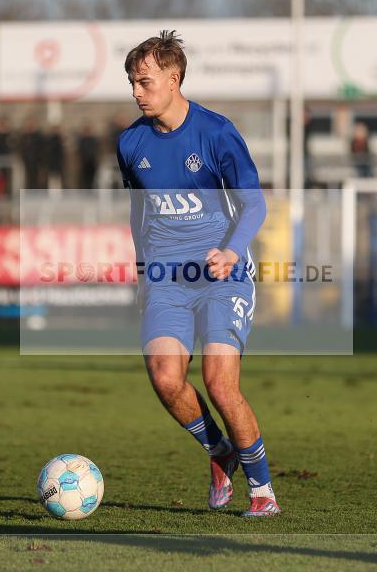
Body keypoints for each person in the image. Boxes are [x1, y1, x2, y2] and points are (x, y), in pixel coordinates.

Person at [116, 31, 277, 516]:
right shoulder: (130, 142)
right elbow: (138, 212)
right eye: (132, 83)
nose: (137, 92)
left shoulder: (216, 132)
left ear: (174, 77)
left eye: (144, 82)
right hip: (166, 277)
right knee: (166, 378)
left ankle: (262, 491)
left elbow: (254, 203)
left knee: (219, 383)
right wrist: (144, 269)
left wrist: (231, 251)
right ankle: (219, 451)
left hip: (220, 273)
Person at [19, 117, 46, 190]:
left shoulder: (39, 136)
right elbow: (21, 149)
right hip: (27, 162)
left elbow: (42, 149)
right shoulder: (24, 136)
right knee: (28, 179)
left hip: (37, 162)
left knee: (37, 180)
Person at [77, 123, 101, 189]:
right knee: (84, 178)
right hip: (84, 162)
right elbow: (80, 151)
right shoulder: (81, 140)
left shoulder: (94, 140)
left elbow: (96, 150)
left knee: (93, 178)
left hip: (92, 161)